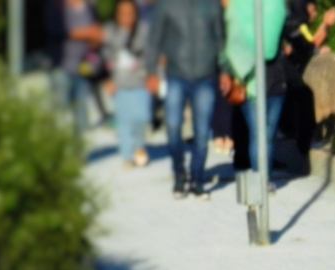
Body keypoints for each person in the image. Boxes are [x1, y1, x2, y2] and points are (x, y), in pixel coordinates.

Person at [144, 0, 225, 200]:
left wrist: (225, 70)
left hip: (205, 76)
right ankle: (179, 174)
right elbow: (155, 38)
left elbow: (220, 38)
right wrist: (151, 71)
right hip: (176, 75)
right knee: (172, 126)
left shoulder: (212, 4)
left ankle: (197, 180)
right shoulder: (166, 4)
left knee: (202, 132)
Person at [221, 0, 288, 177]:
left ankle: (262, 179)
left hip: (272, 82)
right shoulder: (242, 9)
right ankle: (261, 180)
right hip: (254, 84)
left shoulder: (273, 7)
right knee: (261, 135)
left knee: (264, 136)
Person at [45, 0, 105, 136]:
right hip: (61, 66)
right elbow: (57, 30)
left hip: (83, 67)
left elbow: (97, 30)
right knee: (61, 111)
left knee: (81, 109)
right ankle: (61, 143)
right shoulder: (56, 6)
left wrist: (95, 38)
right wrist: (86, 32)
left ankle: (81, 145)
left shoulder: (89, 6)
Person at [104, 0, 151, 168]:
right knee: (123, 121)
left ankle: (138, 146)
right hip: (119, 84)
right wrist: (107, 78)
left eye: (130, 13)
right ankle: (126, 155)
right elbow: (104, 56)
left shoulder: (144, 29)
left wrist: (151, 74)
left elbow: (151, 53)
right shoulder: (110, 31)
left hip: (140, 82)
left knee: (141, 117)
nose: (127, 17)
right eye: (122, 13)